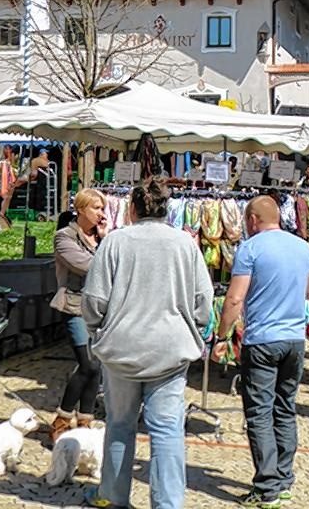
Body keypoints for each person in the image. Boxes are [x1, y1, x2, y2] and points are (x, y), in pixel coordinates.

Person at [81, 178, 213, 509]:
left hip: (122, 347)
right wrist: (193, 330)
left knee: (120, 424)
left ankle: (112, 497)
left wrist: (97, 330)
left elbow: (94, 299)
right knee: (167, 430)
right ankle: (168, 504)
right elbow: (203, 300)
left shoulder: (115, 242)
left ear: (133, 207)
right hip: (170, 348)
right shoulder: (184, 244)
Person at [216, 195, 309, 508]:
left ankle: (267, 488)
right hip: (294, 340)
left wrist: (221, 336)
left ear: (251, 220)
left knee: (259, 412)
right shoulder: (304, 247)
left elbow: (234, 299)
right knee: (285, 408)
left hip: (262, 339)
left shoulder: (250, 248)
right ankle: (284, 479)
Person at [50, 188, 108, 444]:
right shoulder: (65, 237)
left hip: (101, 310)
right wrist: (108, 248)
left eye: (103, 208)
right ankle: (62, 418)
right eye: (96, 208)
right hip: (74, 307)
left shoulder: (102, 238)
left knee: (97, 367)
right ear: (81, 209)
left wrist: (105, 239)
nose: (101, 213)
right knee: (88, 364)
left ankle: (85, 421)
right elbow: (87, 267)